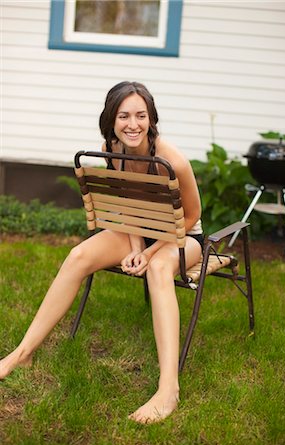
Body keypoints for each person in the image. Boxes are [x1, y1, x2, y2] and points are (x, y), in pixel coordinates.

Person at [0, 81, 203, 424]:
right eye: (124, 116)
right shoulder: (113, 150)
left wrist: (151, 255)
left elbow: (192, 215)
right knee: (79, 255)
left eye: (141, 115)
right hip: (139, 229)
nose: (133, 124)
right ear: (111, 120)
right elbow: (128, 205)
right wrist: (137, 246)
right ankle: (23, 353)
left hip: (180, 238)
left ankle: (168, 388)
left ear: (152, 119)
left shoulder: (173, 161)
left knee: (157, 271)